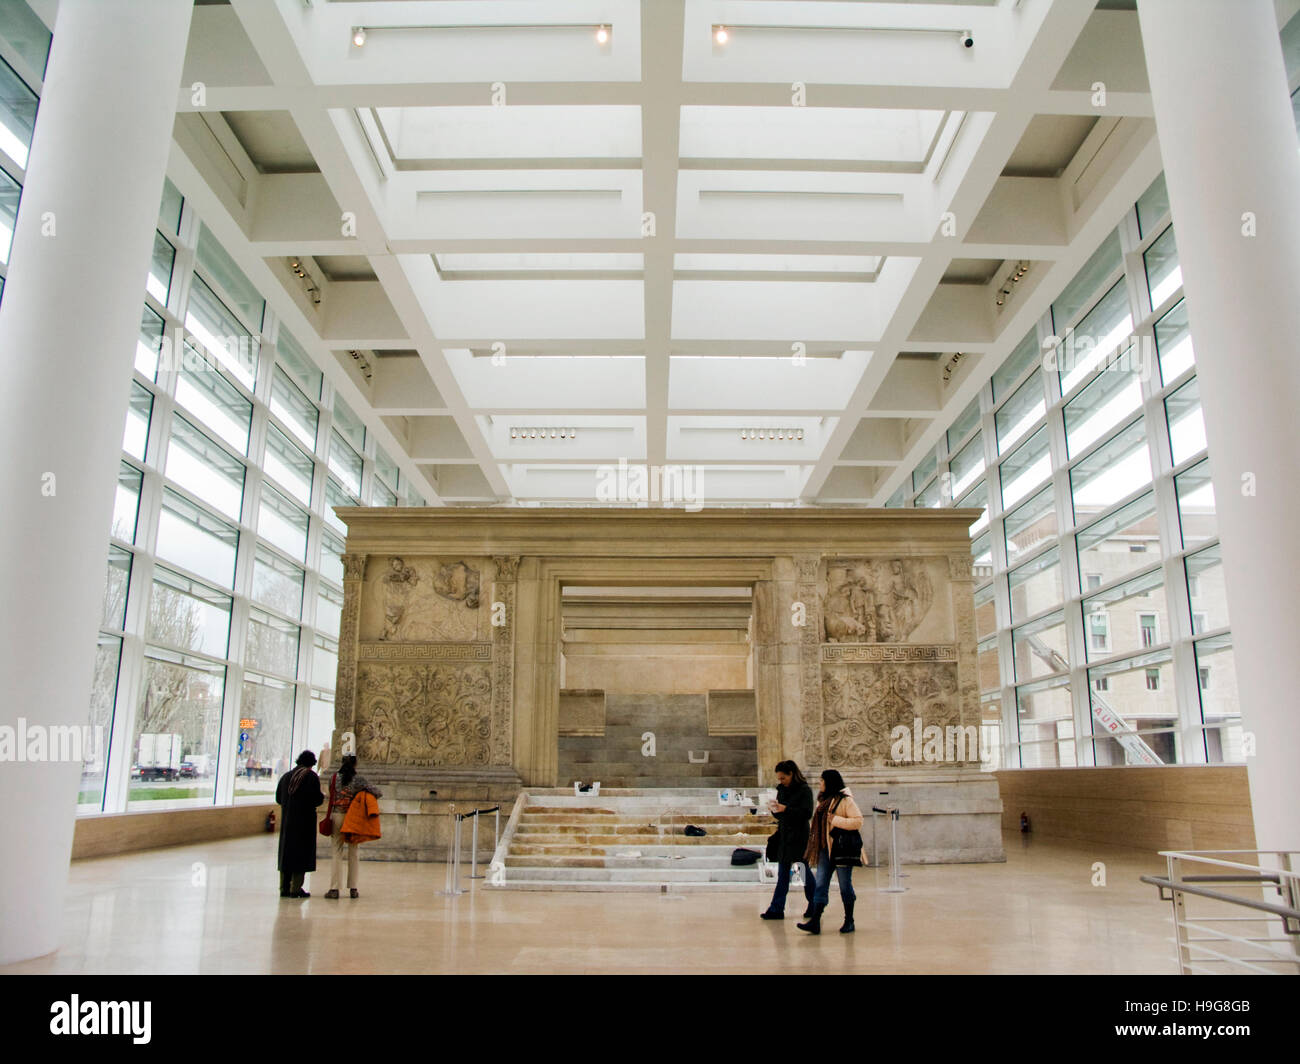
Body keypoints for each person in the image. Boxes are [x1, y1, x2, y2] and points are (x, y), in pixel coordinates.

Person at [797, 769, 864, 935]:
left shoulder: (845, 800)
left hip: (841, 849)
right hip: (824, 849)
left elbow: (858, 821)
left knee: (844, 886)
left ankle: (849, 920)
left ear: (829, 782)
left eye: (822, 781)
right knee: (820, 885)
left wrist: (835, 820)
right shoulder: (822, 801)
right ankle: (815, 921)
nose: (819, 784)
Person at [760, 760, 815, 921]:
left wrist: (786, 809)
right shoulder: (781, 790)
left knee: (802, 871)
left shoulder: (804, 790)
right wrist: (775, 810)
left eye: (783, 778)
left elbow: (807, 813)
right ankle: (776, 908)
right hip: (785, 835)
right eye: (779, 778)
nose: (781, 781)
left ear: (791, 774)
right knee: (784, 874)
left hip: (799, 837)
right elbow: (780, 814)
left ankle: (814, 903)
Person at [324, 754, 383, 899]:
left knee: (336, 852)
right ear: (355, 764)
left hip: (336, 815)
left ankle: (334, 888)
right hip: (352, 818)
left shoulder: (333, 778)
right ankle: (353, 888)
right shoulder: (358, 780)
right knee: (353, 852)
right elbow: (378, 792)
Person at [275, 750, 324, 898]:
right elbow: (317, 799)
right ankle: (295, 888)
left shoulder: (286, 777)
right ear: (311, 764)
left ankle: (284, 887)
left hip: (287, 821)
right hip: (304, 822)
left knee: (287, 853)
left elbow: (278, 798)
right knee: (300, 853)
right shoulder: (310, 777)